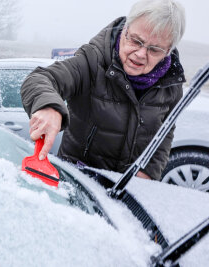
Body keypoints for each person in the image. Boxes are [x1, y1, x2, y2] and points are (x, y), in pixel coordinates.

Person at [20, 0, 186, 181]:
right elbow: (40, 79)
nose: (140, 54)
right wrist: (49, 106)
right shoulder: (92, 61)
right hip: (79, 182)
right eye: (136, 41)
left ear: (168, 50)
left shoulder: (171, 85)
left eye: (154, 49)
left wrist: (149, 172)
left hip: (126, 192)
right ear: (125, 30)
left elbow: (165, 133)